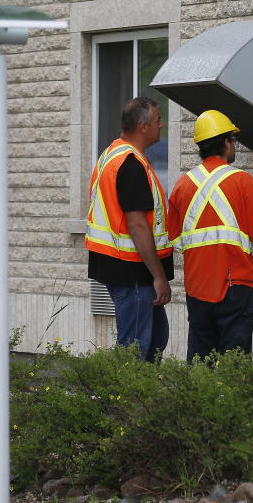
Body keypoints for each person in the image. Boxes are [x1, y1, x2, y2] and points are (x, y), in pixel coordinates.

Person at [167, 109, 253, 361]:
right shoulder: (243, 181)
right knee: (234, 363)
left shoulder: (182, 184)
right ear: (225, 142)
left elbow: (176, 240)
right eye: (233, 139)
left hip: (197, 286)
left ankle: (199, 401)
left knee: (200, 362)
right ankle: (229, 400)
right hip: (235, 286)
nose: (235, 145)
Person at [86, 97, 173, 362]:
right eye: (158, 121)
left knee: (156, 337)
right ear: (144, 126)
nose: (162, 125)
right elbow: (137, 226)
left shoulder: (113, 154)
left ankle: (144, 398)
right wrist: (158, 276)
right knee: (134, 349)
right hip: (133, 271)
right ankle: (127, 402)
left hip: (126, 269)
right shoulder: (130, 164)